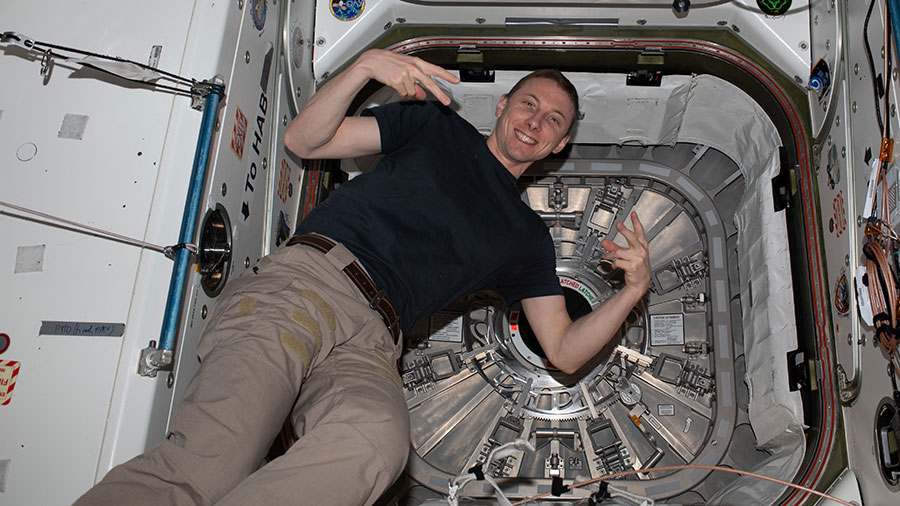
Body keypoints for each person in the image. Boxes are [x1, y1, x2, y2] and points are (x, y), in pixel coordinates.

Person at [73, 49, 650, 506]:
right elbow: (306, 140)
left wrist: (631, 292)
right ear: (501, 106)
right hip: (309, 286)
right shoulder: (432, 126)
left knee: (375, 445)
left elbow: (564, 350)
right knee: (212, 459)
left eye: (554, 120)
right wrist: (366, 68)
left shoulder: (525, 237)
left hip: (375, 341)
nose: (536, 122)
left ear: (562, 142)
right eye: (529, 104)